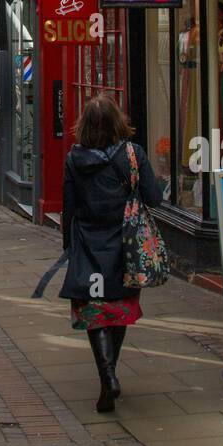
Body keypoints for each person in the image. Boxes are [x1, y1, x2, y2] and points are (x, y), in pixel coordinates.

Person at [60, 94, 164, 413]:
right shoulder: (133, 154)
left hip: (90, 245)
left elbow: (68, 207)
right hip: (126, 245)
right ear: (118, 121)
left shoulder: (74, 159)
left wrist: (68, 246)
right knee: (118, 308)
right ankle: (111, 374)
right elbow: (155, 198)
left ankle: (107, 376)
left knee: (95, 310)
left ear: (86, 126)